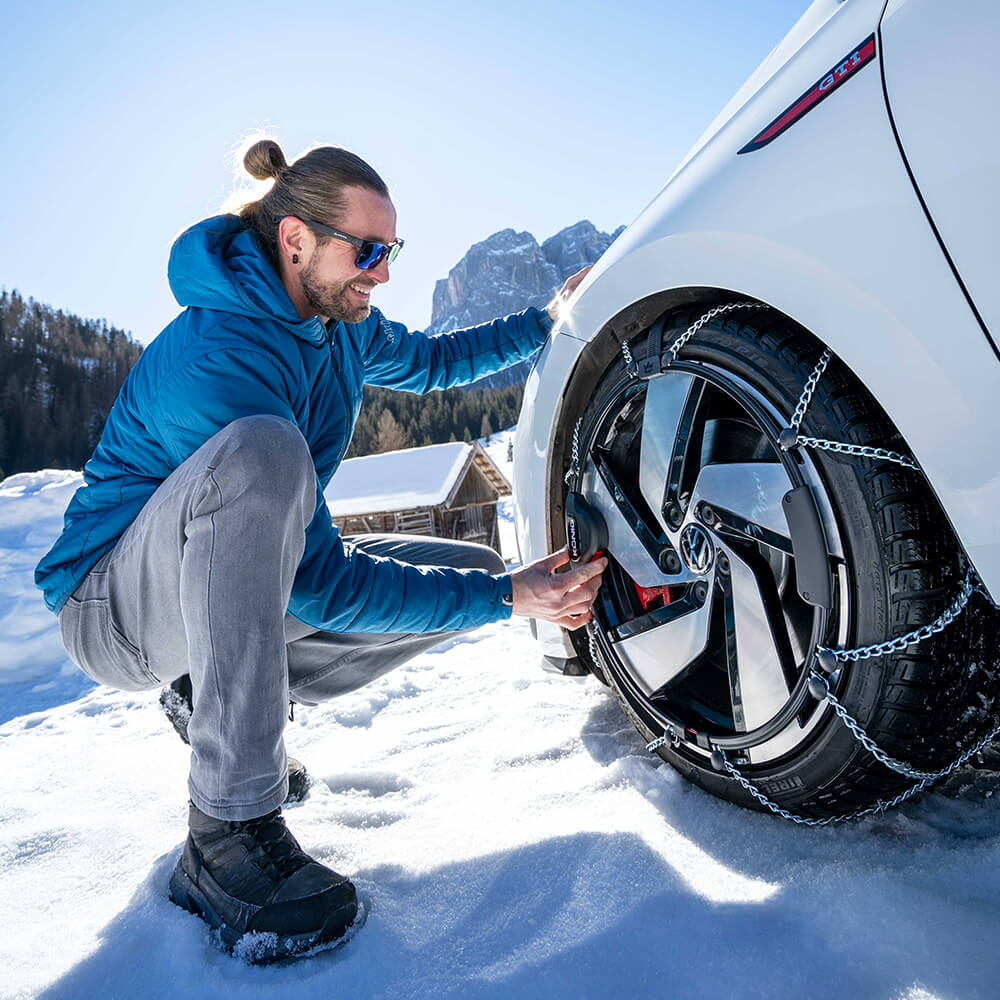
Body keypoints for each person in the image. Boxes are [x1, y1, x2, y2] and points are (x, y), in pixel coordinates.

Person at [35, 138, 607, 962]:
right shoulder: (221, 355)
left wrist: (546, 320)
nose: (382, 272)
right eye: (367, 251)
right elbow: (318, 586)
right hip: (112, 608)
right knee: (264, 453)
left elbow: (434, 362)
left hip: (205, 591)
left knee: (476, 571)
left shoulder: (335, 322)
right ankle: (225, 838)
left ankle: (213, 696)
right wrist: (514, 600)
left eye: (392, 251)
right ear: (295, 240)